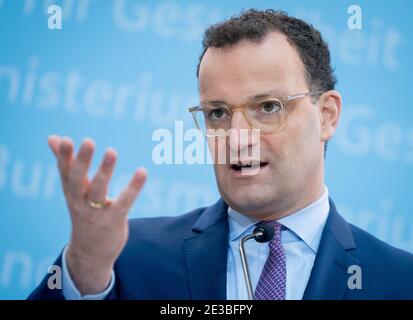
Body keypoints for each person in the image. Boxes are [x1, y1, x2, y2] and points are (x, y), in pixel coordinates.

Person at [29, 9, 413, 300]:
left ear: (326, 115)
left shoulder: (399, 279)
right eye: (217, 113)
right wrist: (84, 269)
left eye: (267, 107)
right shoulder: (128, 259)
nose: (237, 137)